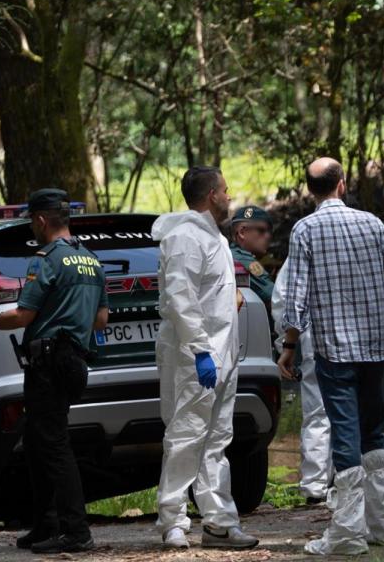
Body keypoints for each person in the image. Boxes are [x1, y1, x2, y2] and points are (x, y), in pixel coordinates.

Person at [278, 158, 384, 556]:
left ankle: (349, 533)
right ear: (342, 184)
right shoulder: (373, 223)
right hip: (373, 349)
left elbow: (296, 297)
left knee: (346, 435)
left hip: (333, 350)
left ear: (310, 190)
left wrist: (289, 346)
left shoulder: (305, 229)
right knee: (372, 432)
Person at [0, 188, 107, 555]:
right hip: (73, 361)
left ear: (40, 220)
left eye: (31, 222)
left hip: (49, 364)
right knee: (38, 443)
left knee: (52, 445)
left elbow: (24, 315)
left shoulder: (46, 260)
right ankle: (46, 525)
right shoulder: (91, 260)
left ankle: (76, 531)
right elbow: (101, 319)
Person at [152, 166, 259, 550]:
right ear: (212, 195)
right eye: (225, 190)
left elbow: (210, 295)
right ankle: (172, 520)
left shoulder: (215, 238)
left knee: (216, 440)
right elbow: (181, 298)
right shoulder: (183, 238)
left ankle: (218, 522)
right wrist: (200, 350)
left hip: (222, 353)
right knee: (186, 436)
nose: (230, 197)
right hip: (194, 355)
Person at [271, 255, 333, 506]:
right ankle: (351, 482)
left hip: (316, 344)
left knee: (318, 414)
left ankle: (316, 486)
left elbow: (284, 300)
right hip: (362, 346)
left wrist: (286, 346)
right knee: (354, 414)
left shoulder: (305, 243)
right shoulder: (368, 237)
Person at [229, 205, 275, 309]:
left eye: (269, 231)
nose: (267, 236)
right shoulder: (242, 260)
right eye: (261, 230)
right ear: (242, 233)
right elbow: (276, 297)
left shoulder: (232, 255)